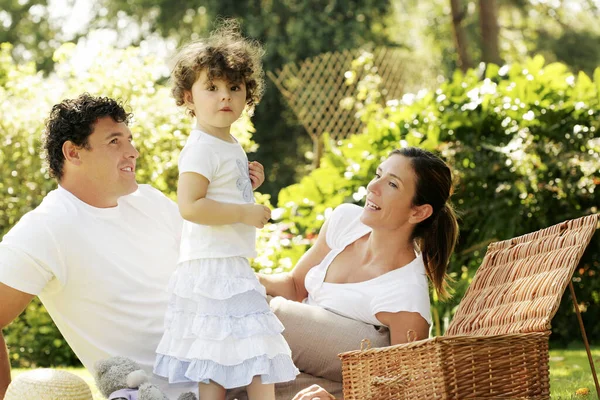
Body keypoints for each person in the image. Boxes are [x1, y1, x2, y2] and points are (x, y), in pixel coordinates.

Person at [0, 94, 206, 399]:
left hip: (236, 357)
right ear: (73, 152)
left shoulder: (151, 202)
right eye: (115, 142)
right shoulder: (45, 229)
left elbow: (207, 271)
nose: (133, 152)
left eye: (130, 140)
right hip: (173, 393)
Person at [152, 21, 298, 400]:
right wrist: (243, 213)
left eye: (234, 87)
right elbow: (190, 205)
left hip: (226, 260)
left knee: (228, 349)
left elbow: (221, 190)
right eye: (212, 88)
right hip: (211, 266)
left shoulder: (227, 143)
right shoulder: (201, 147)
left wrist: (249, 183)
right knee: (252, 345)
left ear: (247, 93)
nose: (225, 97)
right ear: (188, 97)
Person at [251, 147, 459, 399]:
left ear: (418, 212)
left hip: (357, 356)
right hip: (307, 357)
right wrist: (249, 278)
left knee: (250, 309)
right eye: (378, 174)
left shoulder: (407, 297)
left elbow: (403, 387)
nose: (373, 187)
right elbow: (295, 286)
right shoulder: (346, 221)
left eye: (392, 184)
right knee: (235, 378)